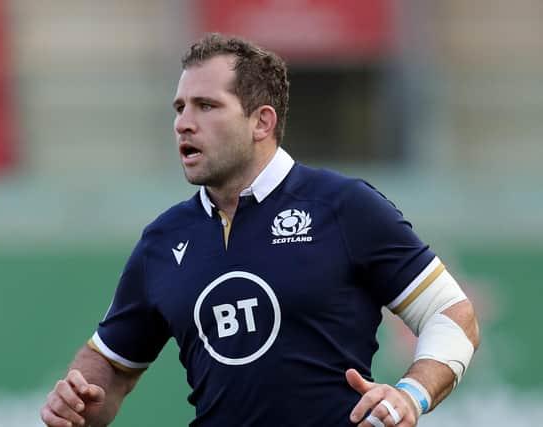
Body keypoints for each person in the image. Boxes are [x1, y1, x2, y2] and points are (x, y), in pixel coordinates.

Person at [40, 33, 480, 427]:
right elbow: (113, 366)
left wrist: (410, 396)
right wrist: (78, 401)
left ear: (262, 122)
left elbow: (453, 316)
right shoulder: (163, 239)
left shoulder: (343, 206)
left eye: (206, 106)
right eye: (179, 108)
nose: (183, 123)